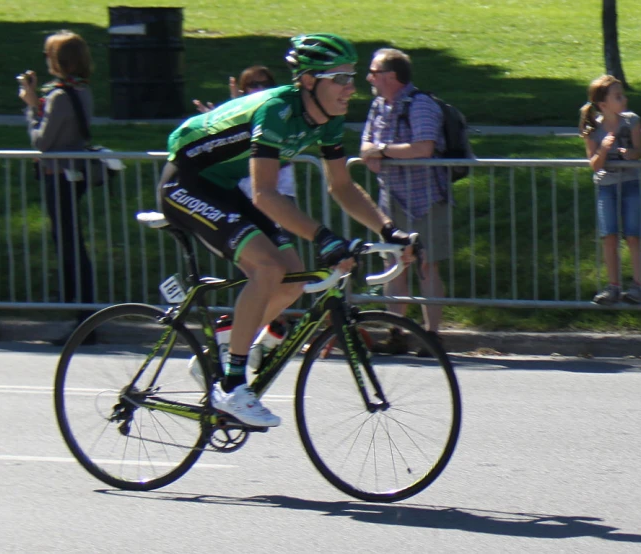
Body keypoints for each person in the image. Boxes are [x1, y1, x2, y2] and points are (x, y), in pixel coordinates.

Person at [159, 33, 414, 428]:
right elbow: (263, 193)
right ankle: (230, 384)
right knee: (266, 268)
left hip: (222, 187)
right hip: (184, 183)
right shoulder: (278, 110)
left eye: (352, 77)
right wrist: (324, 237)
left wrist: (388, 230)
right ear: (309, 81)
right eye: (341, 79)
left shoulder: (328, 118)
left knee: (292, 277)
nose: (351, 88)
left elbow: (342, 186)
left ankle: (228, 345)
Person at [193, 64, 298, 365]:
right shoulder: (248, 119)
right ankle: (238, 345)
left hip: (277, 201)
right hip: (245, 202)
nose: (258, 89)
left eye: (263, 83)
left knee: (291, 277)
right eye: (250, 86)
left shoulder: (278, 117)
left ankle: (259, 337)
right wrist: (223, 117)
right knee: (264, 274)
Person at [360, 48, 449, 357]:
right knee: (393, 267)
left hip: (425, 198)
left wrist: (382, 151)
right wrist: (374, 153)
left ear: (392, 77)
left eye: (374, 72)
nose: (369, 77)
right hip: (390, 199)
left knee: (427, 265)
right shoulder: (378, 106)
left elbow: (423, 148)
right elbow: (365, 147)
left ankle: (432, 336)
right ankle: (396, 332)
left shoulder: (421, 105)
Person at [19, 30, 96, 345]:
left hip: (59, 176)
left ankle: (83, 319)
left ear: (59, 60)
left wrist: (29, 106)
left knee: (69, 246)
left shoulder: (61, 96)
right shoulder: (81, 91)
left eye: (47, 55)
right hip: (71, 175)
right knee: (71, 243)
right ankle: (83, 315)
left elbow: (41, 141)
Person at [579, 75, 641, 305]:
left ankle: (638, 286)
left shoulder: (632, 122)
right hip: (606, 186)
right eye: (618, 96)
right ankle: (613, 286)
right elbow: (594, 164)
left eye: (623, 95)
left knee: (633, 235)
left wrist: (631, 154)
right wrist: (604, 149)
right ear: (603, 104)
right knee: (609, 236)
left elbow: (639, 151)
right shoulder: (592, 128)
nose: (624, 100)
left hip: (630, 183)